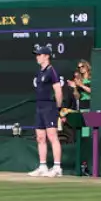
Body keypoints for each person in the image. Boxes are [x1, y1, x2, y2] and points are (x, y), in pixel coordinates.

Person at [28, 47, 64, 178]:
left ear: (46, 56)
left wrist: (58, 109)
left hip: (50, 107)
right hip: (39, 107)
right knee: (40, 138)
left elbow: (58, 91)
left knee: (52, 136)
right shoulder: (39, 72)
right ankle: (42, 166)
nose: (37, 57)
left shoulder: (52, 71)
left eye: (39, 55)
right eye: (36, 55)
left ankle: (57, 167)